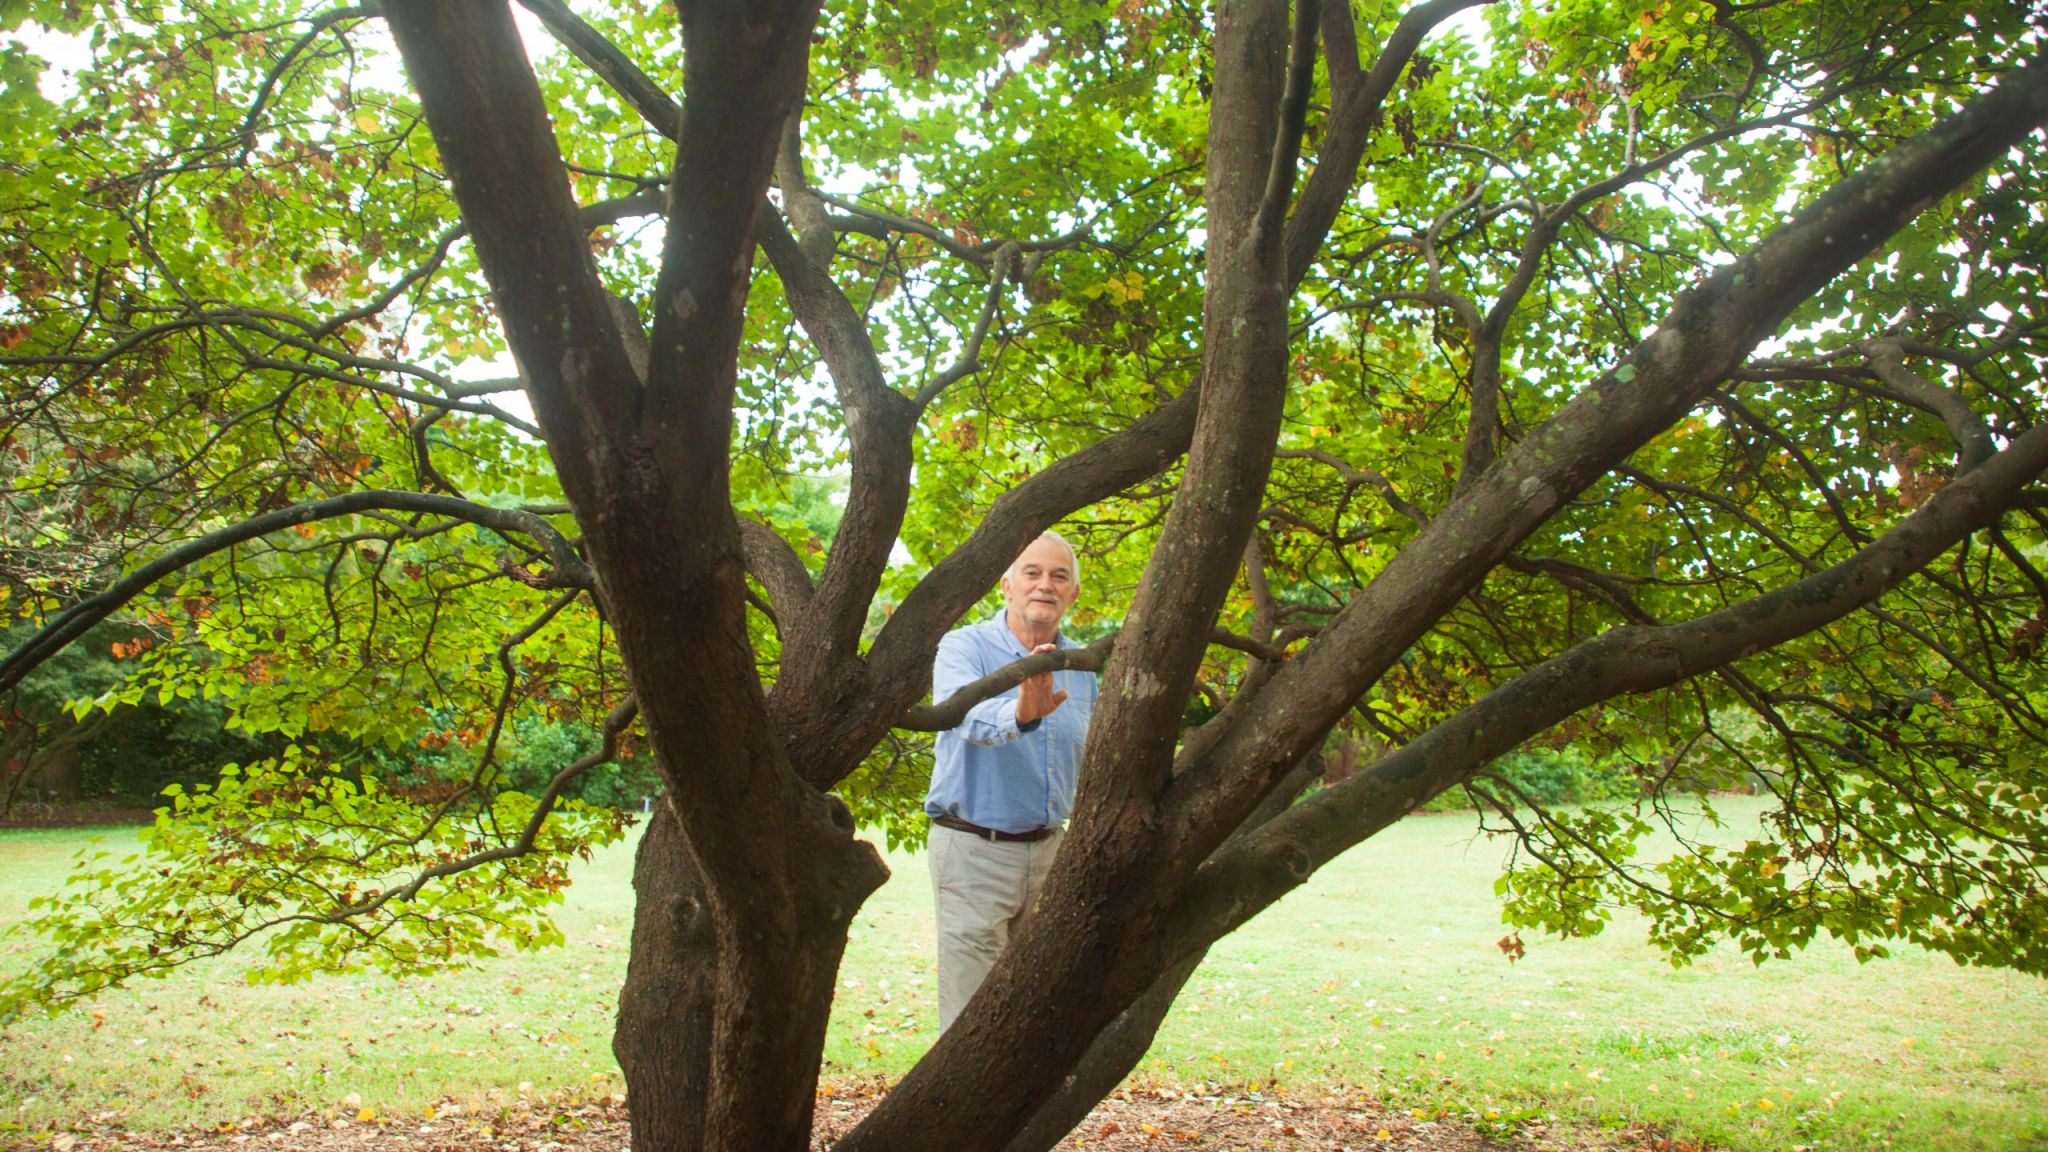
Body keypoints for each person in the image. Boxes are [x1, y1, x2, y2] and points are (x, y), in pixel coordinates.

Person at [925, 530, 1097, 1031]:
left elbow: (1086, 754)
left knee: (1036, 1012)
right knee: (970, 1020)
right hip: (974, 851)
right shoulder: (964, 646)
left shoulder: (1083, 665)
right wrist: (1021, 713)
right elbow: (962, 718)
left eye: (1058, 576)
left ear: (1073, 594)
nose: (1045, 585)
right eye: (1032, 573)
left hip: (1051, 854)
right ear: (1006, 585)